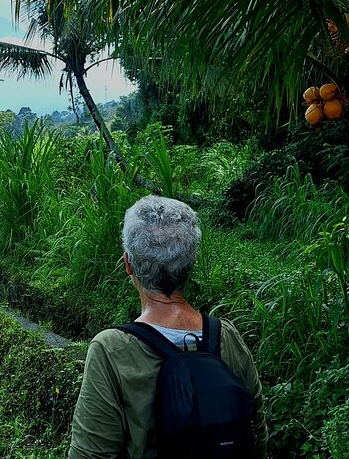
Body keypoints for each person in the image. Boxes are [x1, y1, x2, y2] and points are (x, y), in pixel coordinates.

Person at [68, 195, 268, 458]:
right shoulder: (227, 336)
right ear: (190, 265)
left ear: (128, 264)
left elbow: (89, 454)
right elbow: (258, 438)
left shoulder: (111, 349)